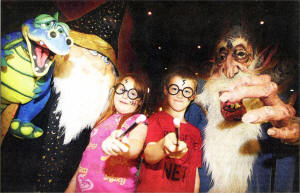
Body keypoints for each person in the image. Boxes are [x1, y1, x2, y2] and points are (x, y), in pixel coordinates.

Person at [1, 1, 128, 192]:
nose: (93, 63)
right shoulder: (39, 92)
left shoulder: (100, 117)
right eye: (87, 53)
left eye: (103, 59)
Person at [185, 25, 299, 192]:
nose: (229, 68)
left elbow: (284, 171)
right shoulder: (198, 109)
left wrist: (292, 138)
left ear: (254, 60)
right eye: (222, 56)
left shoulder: (269, 113)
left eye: (240, 54)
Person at [65, 73, 148, 193]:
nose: (125, 95)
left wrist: (124, 147)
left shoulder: (138, 121)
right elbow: (86, 155)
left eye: (132, 93)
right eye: (121, 90)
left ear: (140, 101)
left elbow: (135, 145)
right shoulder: (103, 118)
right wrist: (71, 186)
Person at [136, 66, 202, 193]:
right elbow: (149, 155)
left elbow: (195, 173)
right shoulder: (156, 119)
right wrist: (163, 146)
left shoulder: (195, 133)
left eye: (187, 91)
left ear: (193, 96)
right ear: (166, 90)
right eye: (174, 89)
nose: (180, 95)